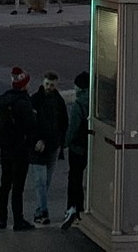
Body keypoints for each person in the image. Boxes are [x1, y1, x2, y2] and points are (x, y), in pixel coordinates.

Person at [0, 68, 38, 231]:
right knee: (18, 187)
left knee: (5, 184)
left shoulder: (4, 99)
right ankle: (18, 220)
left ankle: (2, 218)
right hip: (20, 149)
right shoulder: (23, 102)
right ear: (24, 84)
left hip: (5, 149)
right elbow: (31, 126)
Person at [28, 71, 68, 225]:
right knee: (41, 182)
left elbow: (63, 123)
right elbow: (31, 125)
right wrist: (37, 140)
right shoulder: (36, 100)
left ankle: (40, 211)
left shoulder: (58, 101)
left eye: (52, 85)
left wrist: (60, 142)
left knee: (45, 182)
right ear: (42, 83)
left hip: (52, 147)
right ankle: (42, 212)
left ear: (56, 85)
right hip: (38, 148)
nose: (49, 87)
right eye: (47, 84)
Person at [62, 71, 90, 227]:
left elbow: (72, 129)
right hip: (89, 146)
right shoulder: (94, 101)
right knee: (83, 177)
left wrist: (65, 143)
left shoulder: (78, 105)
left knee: (74, 178)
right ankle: (82, 208)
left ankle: (73, 208)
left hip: (77, 148)